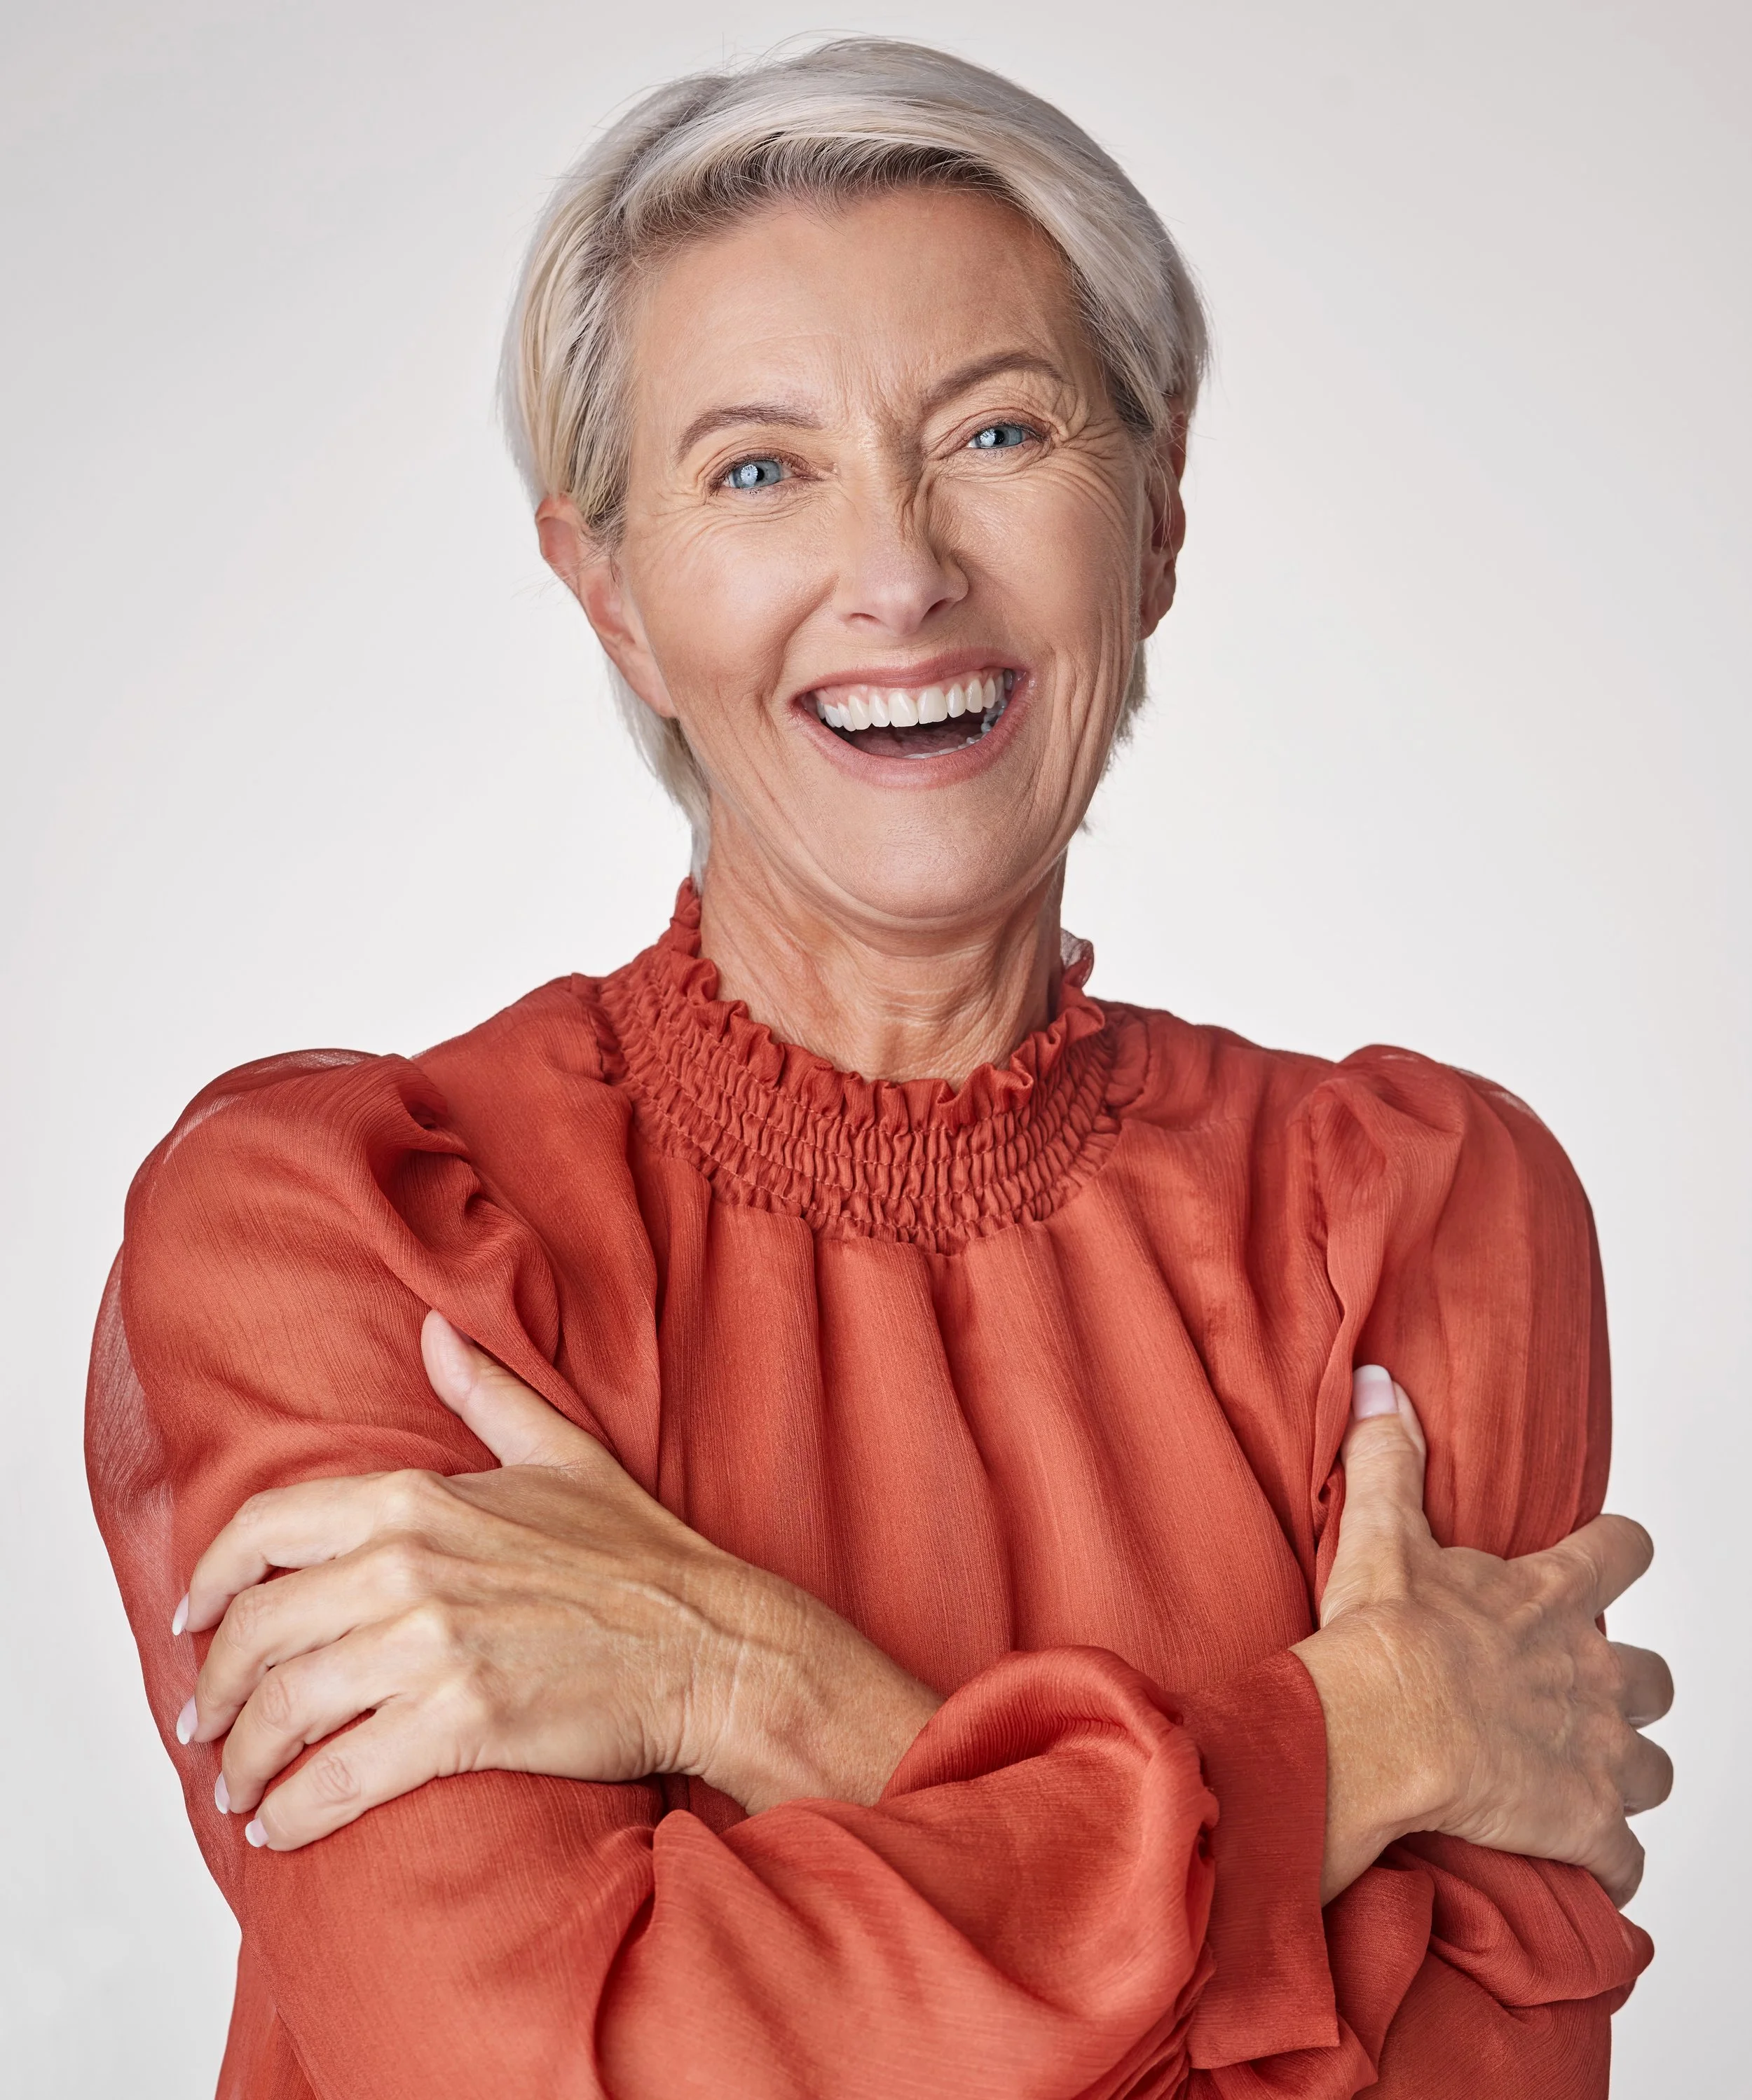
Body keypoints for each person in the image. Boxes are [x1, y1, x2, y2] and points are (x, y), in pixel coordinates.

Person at [88, 39, 1674, 2100]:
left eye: (997, 430)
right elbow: (535, 2072)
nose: (901, 569)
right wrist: (1342, 1750)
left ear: (1158, 522)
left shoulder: (1419, 1204)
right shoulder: (336, 1228)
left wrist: (756, 1686)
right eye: (758, 467)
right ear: (614, 599)